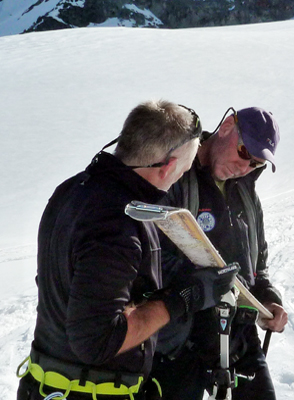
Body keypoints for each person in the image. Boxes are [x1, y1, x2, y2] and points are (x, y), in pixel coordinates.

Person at [16, 100, 239, 400]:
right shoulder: (117, 220)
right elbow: (97, 340)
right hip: (87, 391)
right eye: (184, 170)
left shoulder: (72, 190)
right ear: (170, 166)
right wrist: (183, 299)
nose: (181, 178)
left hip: (49, 385)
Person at [151, 107, 288, 400]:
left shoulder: (247, 196)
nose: (245, 167)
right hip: (179, 338)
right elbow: (148, 257)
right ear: (227, 125)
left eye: (256, 163)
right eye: (243, 152)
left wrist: (269, 299)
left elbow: (257, 267)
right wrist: (202, 284)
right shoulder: (175, 174)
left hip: (237, 334)